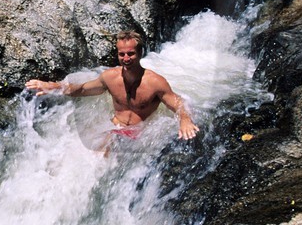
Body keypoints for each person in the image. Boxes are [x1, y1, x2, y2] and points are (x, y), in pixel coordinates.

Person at [25, 29, 198, 143]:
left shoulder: (154, 82)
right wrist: (53, 86)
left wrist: (185, 119)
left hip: (139, 134)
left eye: (131, 53)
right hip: (114, 128)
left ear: (140, 53)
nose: (126, 58)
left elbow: (178, 103)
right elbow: (83, 89)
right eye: (122, 54)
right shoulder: (110, 77)